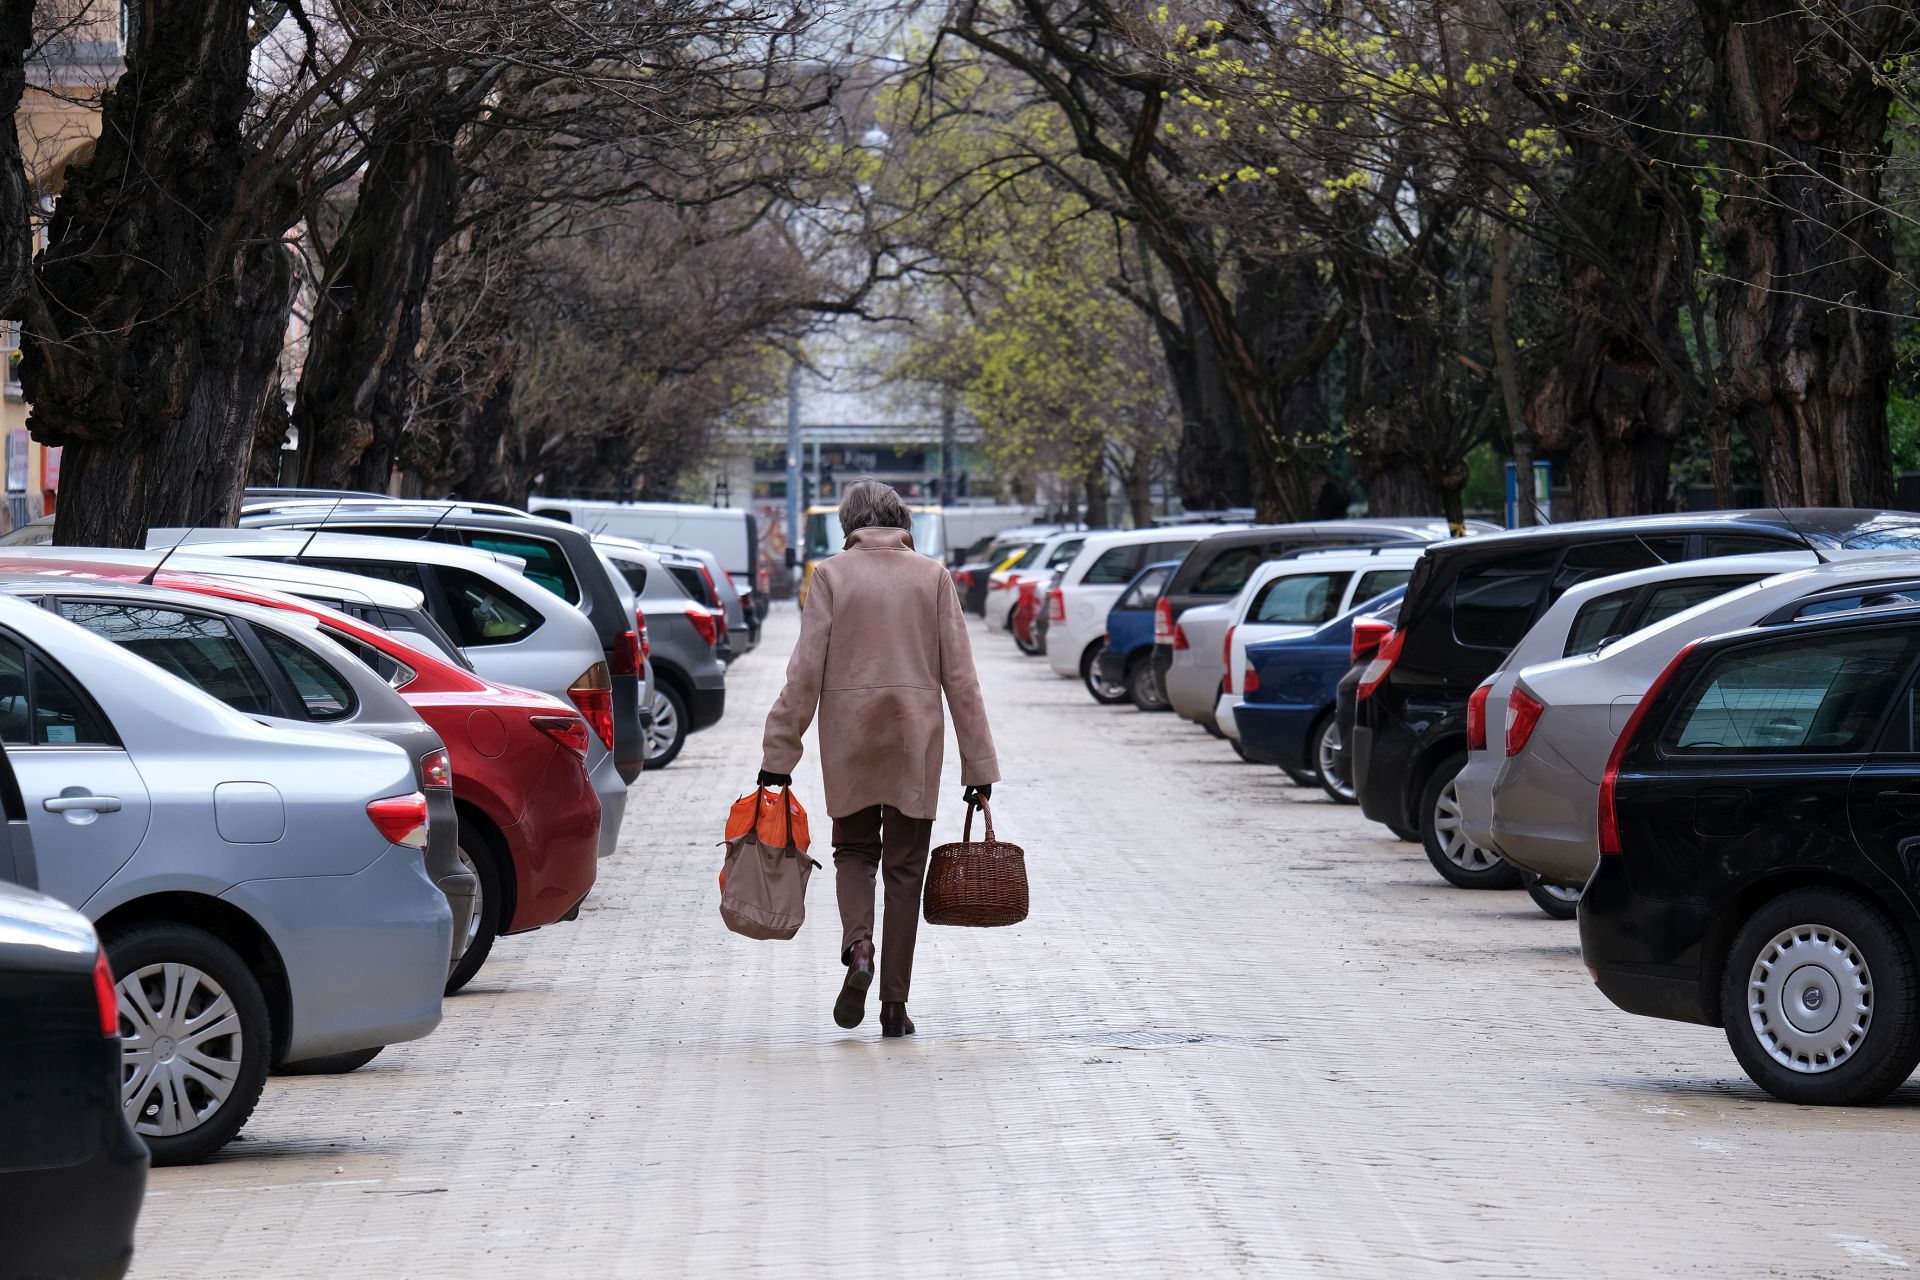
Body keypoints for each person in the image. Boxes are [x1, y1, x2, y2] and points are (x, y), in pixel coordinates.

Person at [758, 479, 999, 1037]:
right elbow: (961, 679)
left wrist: (780, 752)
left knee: (855, 851)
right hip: (916, 740)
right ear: (901, 519)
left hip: (851, 737)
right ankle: (894, 1006)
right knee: (906, 872)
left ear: (850, 524)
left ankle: (858, 946)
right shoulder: (933, 577)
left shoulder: (830, 577)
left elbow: (804, 672)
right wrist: (979, 768)